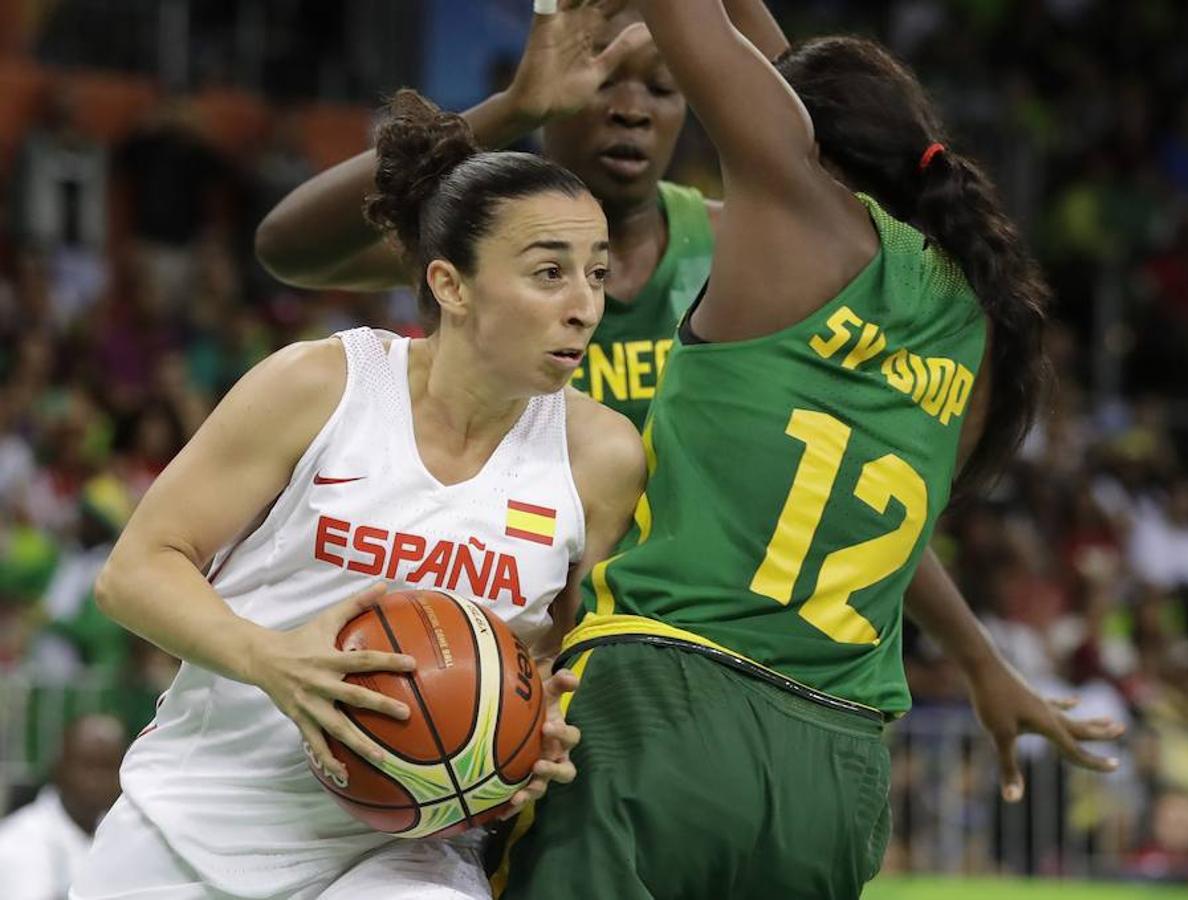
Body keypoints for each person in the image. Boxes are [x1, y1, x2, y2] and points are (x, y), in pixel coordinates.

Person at [256, 0, 1124, 813]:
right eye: (604, 78)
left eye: (662, 85)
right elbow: (291, 247)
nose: (631, 107)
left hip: (666, 687)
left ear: (698, 110)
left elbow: (829, 486)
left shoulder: (763, 251)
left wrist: (978, 657)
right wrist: (515, 105)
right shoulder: (501, 247)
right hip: (497, 664)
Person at [493, 1, 1126, 898]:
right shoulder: (980, 326)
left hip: (667, 702)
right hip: (837, 770)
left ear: (802, 144)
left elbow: (740, 72)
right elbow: (810, 101)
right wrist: (981, 658)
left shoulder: (794, 215)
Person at [69, 90, 644, 900]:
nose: (584, 306)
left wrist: (534, 724)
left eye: (593, 273)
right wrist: (271, 661)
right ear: (450, 284)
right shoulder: (319, 385)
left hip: (407, 851)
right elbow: (133, 573)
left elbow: (561, 653)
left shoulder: (602, 455)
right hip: (196, 819)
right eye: (548, 273)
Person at [0, 714, 126, 900]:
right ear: (59, 768)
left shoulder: (123, 835)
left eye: (109, 767)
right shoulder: (16, 843)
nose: (97, 782)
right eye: (88, 766)